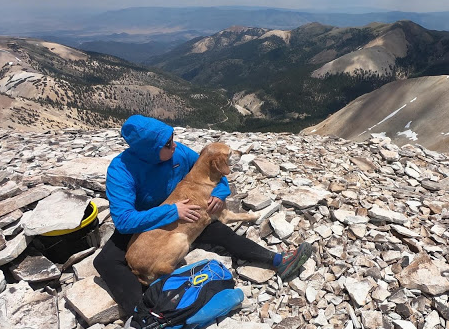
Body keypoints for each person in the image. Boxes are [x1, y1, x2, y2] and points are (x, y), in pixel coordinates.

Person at [94, 114, 312, 315]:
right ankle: (143, 315)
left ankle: (277, 260)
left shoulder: (177, 153)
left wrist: (220, 193)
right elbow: (123, 221)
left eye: (173, 139)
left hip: (186, 212)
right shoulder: (120, 170)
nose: (175, 145)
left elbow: (214, 169)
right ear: (149, 149)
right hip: (144, 222)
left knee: (224, 234)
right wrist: (172, 211)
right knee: (105, 261)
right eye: (167, 144)